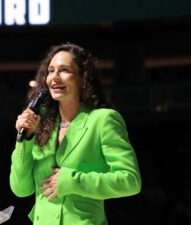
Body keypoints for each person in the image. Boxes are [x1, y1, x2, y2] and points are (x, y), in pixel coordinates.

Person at [9, 42, 141, 225]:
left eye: (64, 70)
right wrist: (25, 140)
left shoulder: (103, 120)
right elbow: (21, 190)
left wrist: (73, 181)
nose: (54, 78)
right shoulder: (42, 125)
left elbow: (130, 181)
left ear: (82, 77)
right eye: (51, 70)